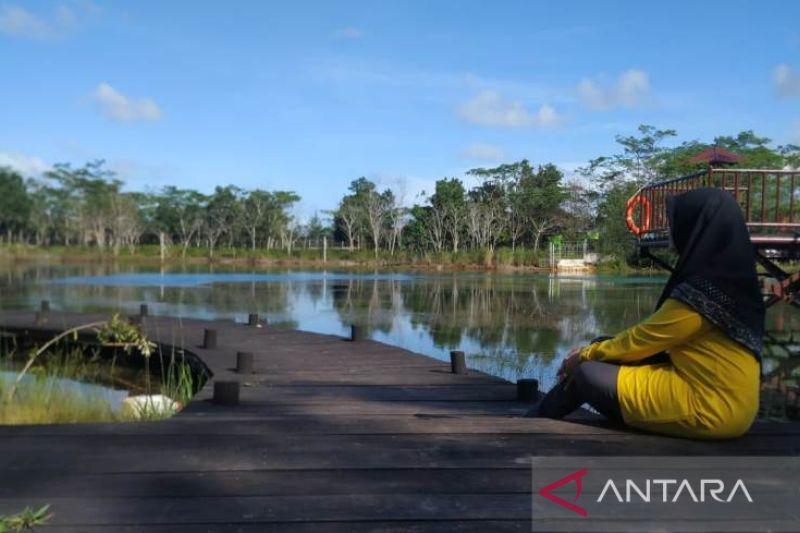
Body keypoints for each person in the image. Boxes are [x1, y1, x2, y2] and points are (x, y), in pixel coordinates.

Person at [528, 188, 764, 439]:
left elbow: (641, 340)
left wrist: (580, 357)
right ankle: (540, 415)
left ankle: (533, 422)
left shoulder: (702, 296)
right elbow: (643, 343)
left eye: (675, 222)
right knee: (602, 347)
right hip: (731, 405)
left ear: (696, 226)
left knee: (586, 373)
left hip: (711, 409)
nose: (670, 230)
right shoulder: (732, 283)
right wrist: (594, 350)